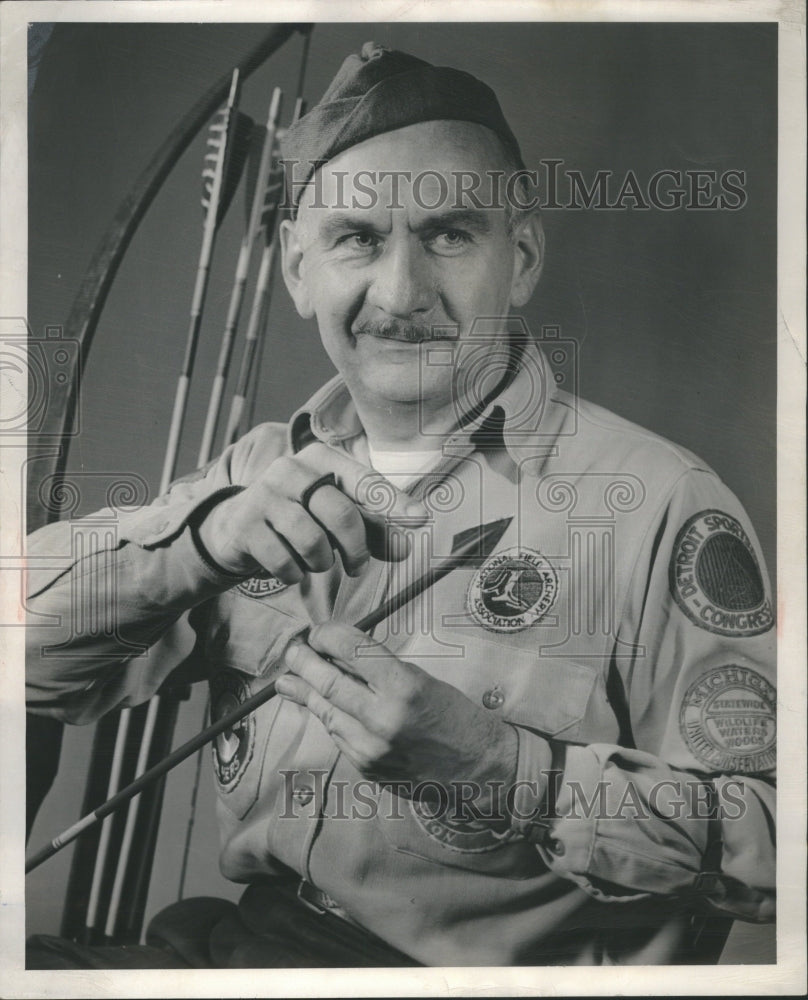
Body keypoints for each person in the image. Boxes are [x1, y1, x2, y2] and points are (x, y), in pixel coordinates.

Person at [25, 42, 775, 968]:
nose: (402, 293)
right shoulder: (263, 470)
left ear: (524, 256)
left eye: (450, 234)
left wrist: (505, 773)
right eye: (357, 239)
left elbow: (783, 850)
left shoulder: (662, 502)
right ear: (299, 271)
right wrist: (196, 548)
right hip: (247, 955)